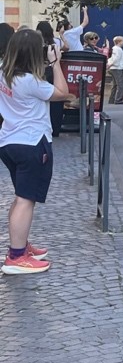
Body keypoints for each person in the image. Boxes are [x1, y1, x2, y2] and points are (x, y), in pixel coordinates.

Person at [0, 29, 74, 274]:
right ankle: (16, 256)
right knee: (25, 199)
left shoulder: (3, 72)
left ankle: (20, 245)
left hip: (9, 141)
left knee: (21, 196)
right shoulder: (30, 82)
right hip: (32, 142)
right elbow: (63, 93)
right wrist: (56, 64)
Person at [107, 36, 123, 104]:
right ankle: (118, 100)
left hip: (115, 68)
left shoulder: (116, 49)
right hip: (117, 68)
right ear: (119, 42)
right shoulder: (117, 49)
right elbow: (116, 58)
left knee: (115, 85)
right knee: (121, 84)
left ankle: (112, 99)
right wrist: (111, 64)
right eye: (122, 41)